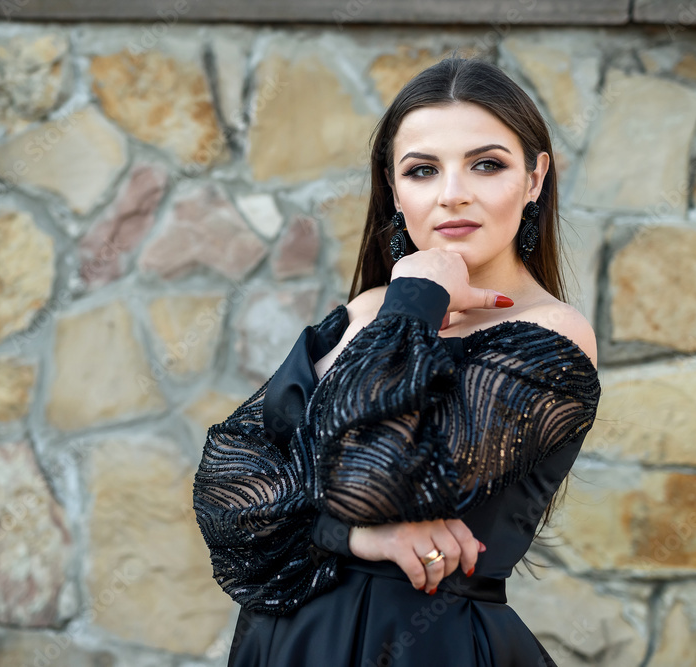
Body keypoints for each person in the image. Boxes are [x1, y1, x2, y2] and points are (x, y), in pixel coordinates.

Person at [193, 54, 601, 666]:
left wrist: (416, 299)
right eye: (422, 170)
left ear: (536, 178)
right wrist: (355, 535)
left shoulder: (551, 335)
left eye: (487, 165)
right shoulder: (366, 311)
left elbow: (374, 481)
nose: (453, 195)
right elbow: (225, 494)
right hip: (286, 644)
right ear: (392, 187)